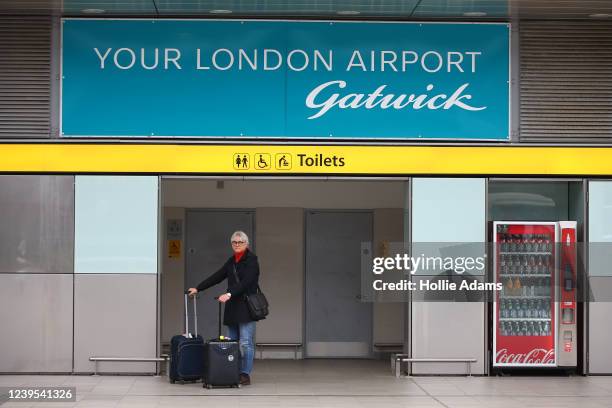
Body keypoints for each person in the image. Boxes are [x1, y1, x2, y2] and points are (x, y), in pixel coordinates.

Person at [187, 231, 259, 386]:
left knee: (246, 342)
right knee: (231, 342)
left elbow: (246, 282)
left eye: (240, 242)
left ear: (247, 244)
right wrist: (198, 288)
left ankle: (245, 374)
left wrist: (229, 293)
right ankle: (233, 370)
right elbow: (217, 276)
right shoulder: (232, 261)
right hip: (233, 306)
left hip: (246, 306)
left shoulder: (252, 261)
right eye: (234, 242)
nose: (237, 244)